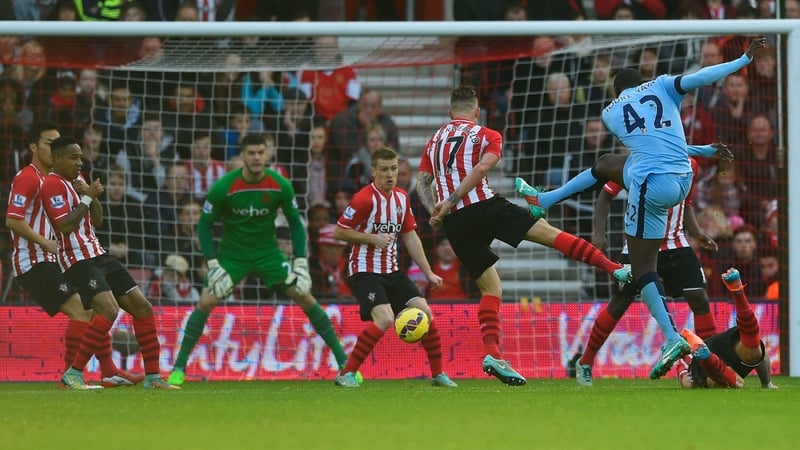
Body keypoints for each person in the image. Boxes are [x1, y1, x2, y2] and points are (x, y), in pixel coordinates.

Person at [516, 37, 768, 379]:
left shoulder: (610, 112)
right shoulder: (664, 85)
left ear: (616, 91)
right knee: (606, 163)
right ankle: (545, 200)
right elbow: (703, 77)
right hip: (682, 178)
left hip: (653, 185)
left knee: (641, 266)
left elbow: (645, 141)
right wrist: (743, 60)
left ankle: (670, 339)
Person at [415, 86, 631, 386]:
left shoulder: (434, 141)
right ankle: (614, 269)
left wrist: (435, 212)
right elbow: (481, 168)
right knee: (550, 234)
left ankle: (493, 354)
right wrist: (451, 199)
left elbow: (422, 182)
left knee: (491, 289)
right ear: (477, 112)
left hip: (455, 222)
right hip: (485, 206)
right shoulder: (487, 134)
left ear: (451, 112)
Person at [167, 134, 351, 385]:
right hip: (233, 256)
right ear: (243, 155)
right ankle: (179, 367)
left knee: (305, 296)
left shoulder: (280, 185)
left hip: (268, 254)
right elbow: (204, 225)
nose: (256, 158)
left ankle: (344, 363)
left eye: (260, 153)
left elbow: (296, 223)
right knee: (206, 301)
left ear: (267, 154)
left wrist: (300, 261)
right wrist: (212, 263)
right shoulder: (224, 186)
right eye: (251, 153)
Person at [6, 122, 142, 389]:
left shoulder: (64, 180)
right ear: (34, 147)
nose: (53, 148)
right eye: (48, 143)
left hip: (56, 259)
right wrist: (44, 242)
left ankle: (108, 371)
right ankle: (71, 377)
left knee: (93, 310)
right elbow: (12, 219)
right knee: (82, 310)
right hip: (32, 260)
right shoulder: (28, 177)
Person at [40, 136, 176, 389]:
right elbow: (65, 226)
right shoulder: (51, 185)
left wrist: (92, 197)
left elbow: (98, 220)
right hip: (76, 259)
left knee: (142, 306)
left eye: (81, 158)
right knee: (108, 310)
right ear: (57, 159)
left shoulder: (78, 181)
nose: (79, 162)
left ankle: (153, 377)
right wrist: (88, 197)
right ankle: (74, 373)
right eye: (73, 158)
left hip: (98, 253)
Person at [575, 156, 719, 386]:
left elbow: (686, 203)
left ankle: (712, 368)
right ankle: (585, 361)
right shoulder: (639, 162)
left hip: (676, 244)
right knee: (619, 303)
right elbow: (605, 195)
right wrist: (598, 232)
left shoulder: (690, 164)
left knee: (699, 298)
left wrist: (697, 232)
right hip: (638, 245)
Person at [332, 147, 456, 388]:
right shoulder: (363, 198)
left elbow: (410, 236)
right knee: (385, 318)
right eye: (384, 169)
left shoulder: (402, 198)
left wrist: (429, 272)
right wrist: (371, 238)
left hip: (392, 270)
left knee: (425, 312)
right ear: (374, 171)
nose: (390, 174)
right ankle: (346, 373)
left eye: (393, 169)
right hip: (365, 270)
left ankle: (438, 375)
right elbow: (339, 231)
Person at [677, 268, 777, 389]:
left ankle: (705, 356)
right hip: (707, 359)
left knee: (749, 360)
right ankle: (737, 290)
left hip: (713, 350)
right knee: (754, 353)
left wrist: (683, 370)